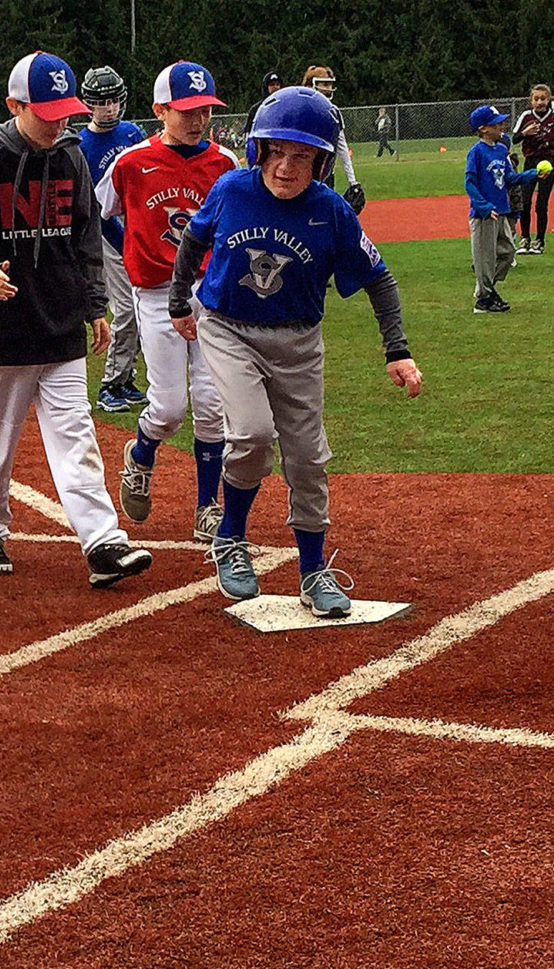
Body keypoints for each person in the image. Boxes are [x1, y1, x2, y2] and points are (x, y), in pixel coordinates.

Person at [168, 86, 423, 618]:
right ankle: (231, 539)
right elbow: (194, 239)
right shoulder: (233, 189)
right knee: (255, 435)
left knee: (307, 459)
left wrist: (396, 351)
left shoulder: (330, 211)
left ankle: (312, 571)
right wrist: (178, 302)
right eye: (277, 151)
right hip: (228, 328)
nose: (286, 166)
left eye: (302, 155)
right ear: (259, 149)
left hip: (298, 342)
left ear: (322, 162)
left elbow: (380, 279)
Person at [0, 50, 152, 588]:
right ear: (15, 105)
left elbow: (85, 237)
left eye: (65, 110)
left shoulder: (72, 156)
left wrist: (95, 304)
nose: (59, 121)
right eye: (47, 111)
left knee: (76, 433)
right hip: (3, 327)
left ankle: (103, 541)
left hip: (59, 321)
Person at [96, 60, 239, 543]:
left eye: (204, 109)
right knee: (169, 408)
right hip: (156, 293)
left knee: (211, 403)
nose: (197, 119)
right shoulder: (132, 162)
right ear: (160, 110)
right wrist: (129, 246)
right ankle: (140, 455)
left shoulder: (224, 163)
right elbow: (99, 212)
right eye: (185, 110)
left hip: (209, 294)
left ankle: (207, 505)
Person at [78, 64, 148, 414]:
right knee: (126, 311)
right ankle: (110, 384)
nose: (109, 108)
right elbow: (94, 207)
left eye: (114, 101)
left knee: (141, 310)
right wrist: (123, 242)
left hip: (137, 229)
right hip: (108, 235)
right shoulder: (82, 144)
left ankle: (126, 378)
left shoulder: (132, 134)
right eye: (101, 102)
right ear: (88, 104)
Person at [465, 104, 544, 313]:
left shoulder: (501, 150)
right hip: (484, 214)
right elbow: (469, 183)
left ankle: (487, 289)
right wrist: (482, 206)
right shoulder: (476, 152)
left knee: (508, 252)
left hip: (502, 210)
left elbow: (509, 178)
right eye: (496, 122)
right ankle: (484, 299)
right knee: (485, 257)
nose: (502, 124)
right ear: (483, 128)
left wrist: (533, 174)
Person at [302, 65, 365, 212]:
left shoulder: (333, 111)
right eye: (324, 84)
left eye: (329, 84)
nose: (328, 88)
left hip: (325, 174)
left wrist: (353, 181)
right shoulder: (301, 109)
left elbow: (342, 147)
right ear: (312, 84)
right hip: (303, 174)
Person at [512, 83, 554, 255]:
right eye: (536, 99)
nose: (540, 102)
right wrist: (525, 133)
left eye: (543, 98)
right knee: (525, 202)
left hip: (549, 163)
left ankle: (540, 241)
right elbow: (514, 139)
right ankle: (525, 238)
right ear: (531, 101)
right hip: (530, 162)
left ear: (549, 99)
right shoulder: (526, 116)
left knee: (541, 204)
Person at [243, 71, 282, 137]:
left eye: (277, 84)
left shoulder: (284, 107)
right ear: (266, 87)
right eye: (272, 84)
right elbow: (248, 131)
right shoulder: (257, 108)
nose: (275, 87)